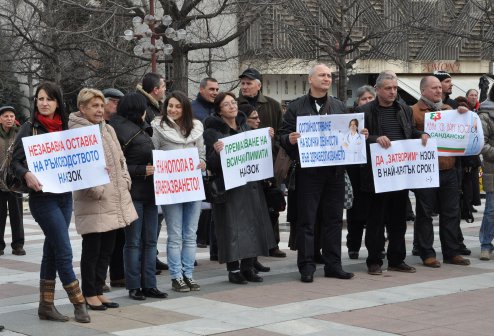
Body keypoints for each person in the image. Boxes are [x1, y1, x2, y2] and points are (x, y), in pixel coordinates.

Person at [11, 82, 90, 323]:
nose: (43, 103)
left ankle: (45, 305)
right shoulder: (29, 128)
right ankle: (78, 302)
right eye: (40, 98)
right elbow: (15, 162)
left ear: (57, 102)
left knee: (52, 251)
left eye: (49, 99)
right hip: (42, 199)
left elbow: (78, 158)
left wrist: (94, 167)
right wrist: (26, 173)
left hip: (65, 197)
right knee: (64, 250)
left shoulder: (66, 128)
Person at [279, 64, 355, 283]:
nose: (327, 78)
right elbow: (283, 135)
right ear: (310, 79)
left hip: (334, 173)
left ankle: (333, 265)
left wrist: (358, 134)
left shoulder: (340, 106)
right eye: (322, 75)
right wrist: (289, 139)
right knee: (307, 221)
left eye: (329, 75)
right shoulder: (296, 107)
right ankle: (307, 266)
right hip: (308, 173)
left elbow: (348, 135)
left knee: (333, 220)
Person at [69, 88, 138, 309]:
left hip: (113, 197)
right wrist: (96, 189)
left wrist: (125, 180)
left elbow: (121, 160)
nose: (99, 110)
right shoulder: (77, 132)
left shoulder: (107, 129)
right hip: (94, 200)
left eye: (101, 105)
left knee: (107, 248)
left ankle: (99, 289)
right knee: (92, 249)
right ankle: (89, 292)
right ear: (82, 108)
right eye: (94, 106)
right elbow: (78, 167)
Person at [356, 71, 428, 276]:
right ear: (377, 89)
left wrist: (421, 135)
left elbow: (410, 132)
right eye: (388, 88)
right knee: (376, 221)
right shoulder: (366, 111)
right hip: (376, 176)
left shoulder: (404, 109)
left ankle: (397, 259)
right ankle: (374, 261)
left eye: (395, 88)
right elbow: (357, 138)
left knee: (398, 220)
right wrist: (375, 138)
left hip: (399, 174)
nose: (393, 92)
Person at [203, 92, 276, 284]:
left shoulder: (244, 126)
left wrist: (266, 138)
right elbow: (210, 163)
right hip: (230, 188)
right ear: (219, 110)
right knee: (232, 228)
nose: (232, 106)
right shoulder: (212, 132)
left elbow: (256, 152)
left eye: (233, 102)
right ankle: (234, 270)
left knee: (251, 226)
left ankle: (248, 267)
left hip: (249, 184)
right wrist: (217, 153)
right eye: (226, 104)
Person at [109, 92, 167, 300]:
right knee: (134, 241)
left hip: (150, 193)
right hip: (133, 194)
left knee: (150, 240)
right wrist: (140, 170)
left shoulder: (139, 128)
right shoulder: (119, 129)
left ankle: (149, 284)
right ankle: (134, 285)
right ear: (137, 109)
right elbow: (115, 165)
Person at [411, 76, 471, 268]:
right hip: (426, 170)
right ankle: (426, 252)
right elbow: (408, 134)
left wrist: (463, 114)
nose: (439, 91)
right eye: (434, 88)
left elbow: (464, 131)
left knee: (451, 212)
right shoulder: (413, 111)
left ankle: (451, 251)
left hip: (448, 169)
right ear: (423, 90)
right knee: (425, 214)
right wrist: (420, 134)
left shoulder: (448, 110)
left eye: (440, 87)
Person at [151, 91, 205, 292]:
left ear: (185, 109)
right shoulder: (158, 127)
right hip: (172, 188)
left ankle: (188, 274)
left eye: (177, 106)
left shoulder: (196, 127)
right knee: (175, 234)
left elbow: (202, 152)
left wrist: (202, 162)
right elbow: (153, 152)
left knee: (190, 234)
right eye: (170, 106)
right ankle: (176, 276)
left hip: (192, 185)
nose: (173, 110)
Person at [238, 68, 286, 259]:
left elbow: (282, 132)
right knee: (249, 207)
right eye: (242, 83)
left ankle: (272, 244)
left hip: (268, 164)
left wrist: (273, 143)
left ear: (259, 85)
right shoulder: (235, 105)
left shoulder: (272, 105)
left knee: (272, 204)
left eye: (249, 83)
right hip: (244, 164)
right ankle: (252, 246)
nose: (244, 86)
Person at [433, 70, 471, 256]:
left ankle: (455, 243)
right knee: (427, 211)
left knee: (452, 209)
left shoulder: (455, 105)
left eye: (447, 83)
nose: (449, 85)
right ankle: (420, 244)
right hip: (432, 166)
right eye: (445, 82)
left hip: (452, 164)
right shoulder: (424, 108)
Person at [136, 73, 168, 272]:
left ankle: (152, 256)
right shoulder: (147, 110)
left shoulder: (155, 107)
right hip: (150, 170)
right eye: (163, 86)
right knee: (151, 220)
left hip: (159, 169)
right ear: (155, 90)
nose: (165, 89)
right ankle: (146, 259)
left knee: (157, 218)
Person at [345, 86, 377, 260]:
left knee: (375, 211)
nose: (367, 102)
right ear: (357, 102)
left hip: (373, 169)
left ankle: (376, 245)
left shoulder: (378, 115)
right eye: (364, 99)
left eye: (370, 98)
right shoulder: (350, 119)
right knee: (354, 211)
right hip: (355, 170)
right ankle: (353, 245)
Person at [191, 78, 220, 260]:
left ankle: (215, 250)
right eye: (211, 89)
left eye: (217, 89)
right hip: (196, 166)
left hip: (213, 165)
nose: (215, 92)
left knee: (213, 209)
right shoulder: (193, 110)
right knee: (194, 212)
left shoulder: (216, 109)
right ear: (201, 89)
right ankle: (189, 254)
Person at [101, 88, 126, 291]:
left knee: (117, 237)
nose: (118, 106)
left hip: (117, 189)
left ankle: (117, 275)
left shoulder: (112, 127)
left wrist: (124, 180)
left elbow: (120, 158)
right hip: (100, 192)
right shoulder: (93, 128)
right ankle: (97, 281)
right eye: (115, 102)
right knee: (99, 241)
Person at [0, 105, 24, 257]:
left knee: (17, 214)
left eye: (11, 116)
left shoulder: (21, 133)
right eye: (6, 116)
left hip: (16, 181)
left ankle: (18, 245)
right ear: (0, 119)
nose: (9, 119)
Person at [478, 86, 494, 260]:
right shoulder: (485, 115)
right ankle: (486, 244)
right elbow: (482, 144)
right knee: (492, 209)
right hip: (492, 168)